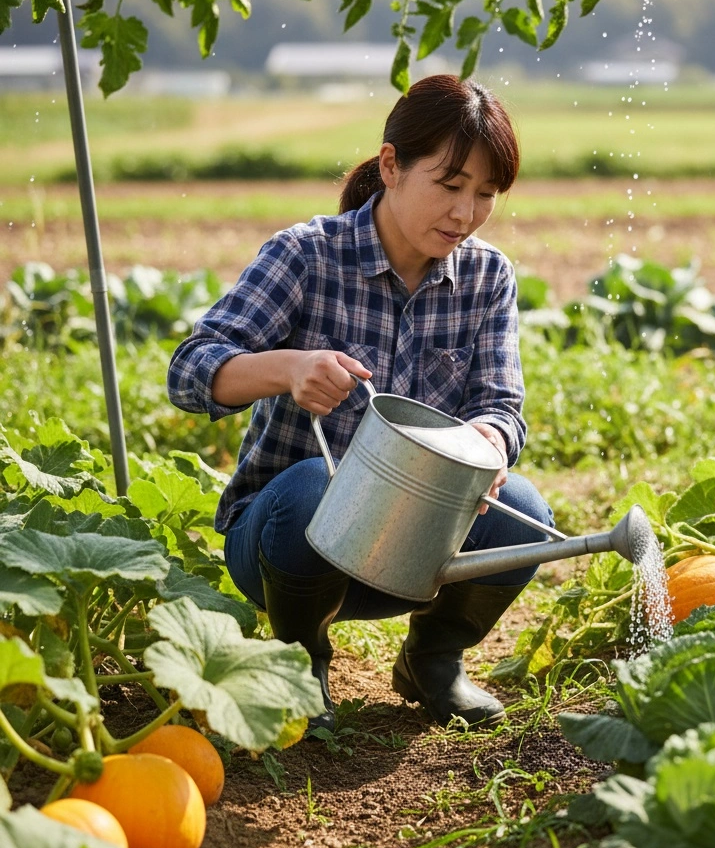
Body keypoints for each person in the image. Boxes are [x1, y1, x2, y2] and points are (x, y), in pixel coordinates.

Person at [167, 74, 553, 734]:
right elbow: (190, 371)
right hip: (283, 546)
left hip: (413, 551)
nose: (465, 213)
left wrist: (488, 442)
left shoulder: (487, 276)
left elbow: (501, 407)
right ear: (391, 166)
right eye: (451, 185)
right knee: (324, 483)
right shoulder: (306, 255)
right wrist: (287, 367)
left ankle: (433, 661)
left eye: (486, 195)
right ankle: (301, 665)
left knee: (525, 515)